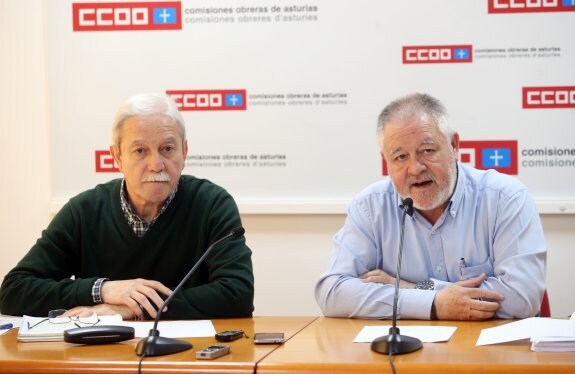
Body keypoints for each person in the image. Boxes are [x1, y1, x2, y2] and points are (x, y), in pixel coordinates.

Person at [0, 93, 254, 320]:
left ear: (184, 153)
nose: (156, 164)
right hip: (102, 362)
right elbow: (13, 291)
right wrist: (103, 290)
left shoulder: (211, 204)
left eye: (167, 149)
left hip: (189, 360)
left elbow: (237, 293)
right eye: (140, 151)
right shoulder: (85, 211)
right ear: (117, 157)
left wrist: (131, 309)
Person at [315, 93, 546, 320]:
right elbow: (332, 292)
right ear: (386, 161)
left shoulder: (505, 198)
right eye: (400, 157)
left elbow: (521, 297)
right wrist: (436, 303)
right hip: (408, 354)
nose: (415, 168)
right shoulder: (369, 206)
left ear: (454, 146)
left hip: (492, 353)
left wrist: (415, 289)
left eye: (427, 151)